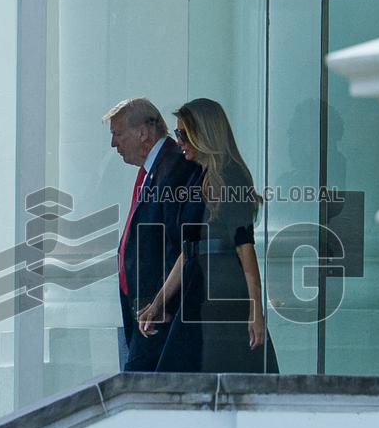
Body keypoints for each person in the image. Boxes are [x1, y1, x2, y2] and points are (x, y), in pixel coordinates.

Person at [138, 98, 279, 373]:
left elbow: (244, 246)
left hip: (223, 290)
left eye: (183, 134)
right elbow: (188, 250)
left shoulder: (230, 176)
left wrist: (255, 311)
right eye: (177, 133)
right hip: (197, 286)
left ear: (203, 134)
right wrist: (157, 304)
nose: (178, 141)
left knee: (217, 370)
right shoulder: (194, 176)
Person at [105, 98, 198, 372]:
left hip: (159, 317)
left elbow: (180, 245)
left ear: (143, 132)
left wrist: (162, 304)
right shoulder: (154, 170)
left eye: (117, 133)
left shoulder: (175, 167)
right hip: (145, 312)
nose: (113, 143)